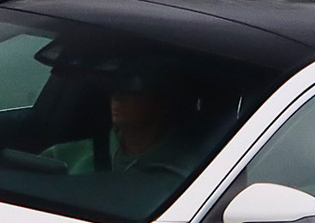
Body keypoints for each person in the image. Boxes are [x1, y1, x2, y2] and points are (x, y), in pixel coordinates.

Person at [43, 65, 199, 176]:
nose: (117, 97)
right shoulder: (63, 155)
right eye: (116, 88)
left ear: (164, 104)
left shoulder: (189, 171)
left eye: (133, 91)